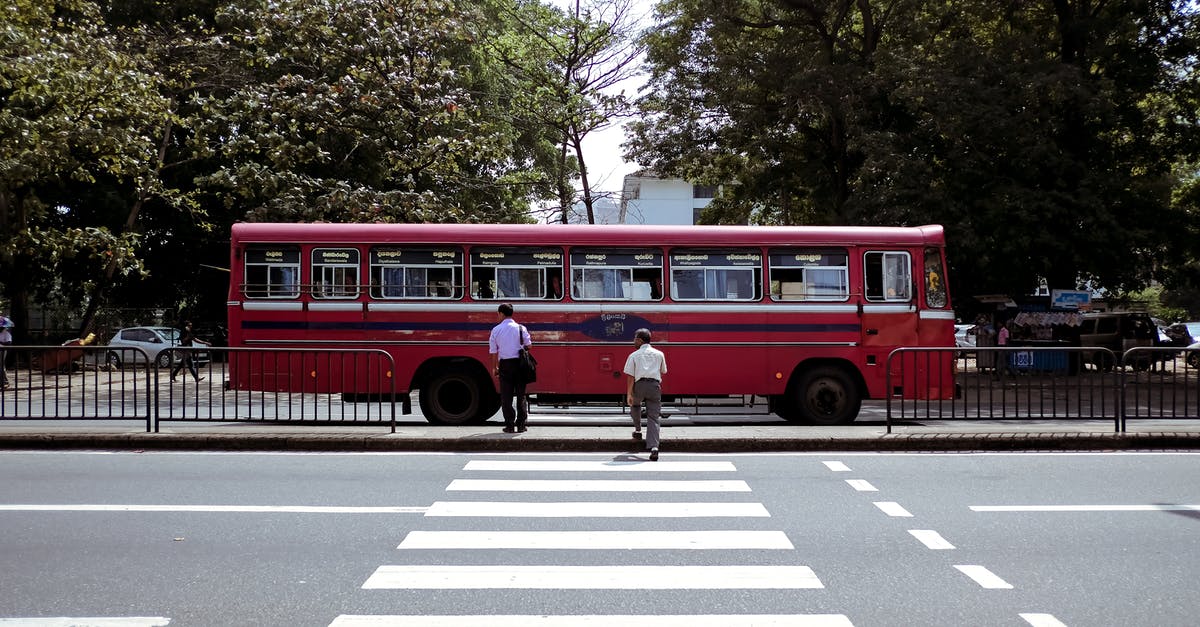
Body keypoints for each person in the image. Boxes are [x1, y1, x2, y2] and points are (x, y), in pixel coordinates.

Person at [624, 327, 668, 461]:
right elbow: (664, 371)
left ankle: (638, 430)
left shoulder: (634, 355)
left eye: (635, 339)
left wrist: (629, 394)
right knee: (654, 417)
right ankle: (654, 447)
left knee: (635, 405)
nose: (633, 342)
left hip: (639, 385)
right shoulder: (659, 354)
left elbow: (630, 377)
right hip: (654, 386)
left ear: (640, 340)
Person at [489, 303, 532, 433]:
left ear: (502, 314)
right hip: (519, 365)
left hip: (505, 365)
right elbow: (529, 346)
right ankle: (521, 425)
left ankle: (509, 425)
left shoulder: (496, 330)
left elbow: (493, 352)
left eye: (498, 314)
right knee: (521, 395)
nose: (497, 316)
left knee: (506, 397)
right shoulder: (520, 328)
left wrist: (494, 368)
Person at [0, 315, 13, 390]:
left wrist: (1, 343)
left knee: (1, 366)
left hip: (2, 350)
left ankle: (5, 381)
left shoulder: (6, 333)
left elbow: (9, 342)